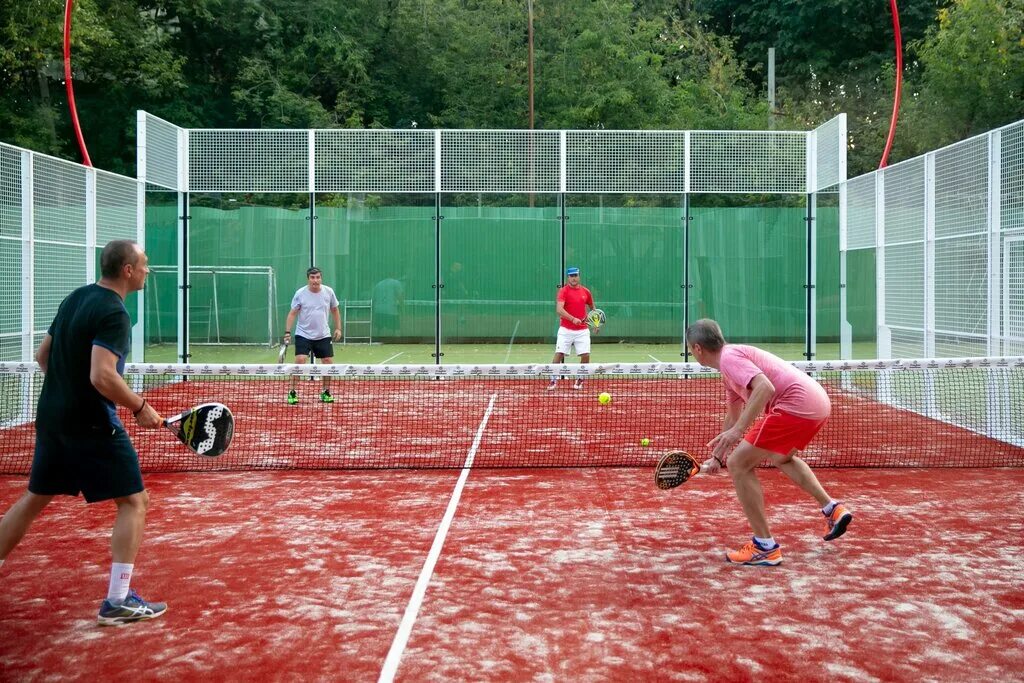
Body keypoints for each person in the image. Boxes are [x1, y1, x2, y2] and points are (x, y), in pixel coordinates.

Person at [0, 239, 168, 625]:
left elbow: (44, 356)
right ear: (127, 270)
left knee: (33, 498)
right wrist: (140, 407)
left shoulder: (76, 298)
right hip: (90, 424)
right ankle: (118, 600)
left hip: (53, 417)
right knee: (134, 502)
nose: (146, 270)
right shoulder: (115, 312)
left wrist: (68, 392)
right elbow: (102, 374)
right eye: (143, 264)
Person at [686, 318, 853, 566]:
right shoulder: (729, 367)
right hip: (817, 403)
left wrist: (738, 434)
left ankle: (764, 547)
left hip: (796, 404)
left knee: (739, 464)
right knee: (780, 456)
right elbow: (733, 415)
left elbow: (765, 387)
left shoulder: (730, 358)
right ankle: (832, 508)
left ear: (697, 348)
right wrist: (717, 457)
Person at [283, 267, 342, 404]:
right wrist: (287, 332)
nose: (315, 280)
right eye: (312, 278)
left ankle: (326, 392)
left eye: (318, 277)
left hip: (323, 334)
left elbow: (335, 310)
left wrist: (338, 328)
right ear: (308, 279)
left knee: (327, 362)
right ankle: (292, 392)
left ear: (321, 278)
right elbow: (292, 313)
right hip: (303, 334)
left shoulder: (329, 292)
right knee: (300, 360)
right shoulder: (300, 293)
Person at [548, 266, 596, 391]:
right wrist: (573, 319)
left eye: (576, 275)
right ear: (568, 277)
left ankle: (580, 379)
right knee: (558, 354)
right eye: (571, 276)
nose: (574, 278)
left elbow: (592, 308)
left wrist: (595, 324)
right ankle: (553, 380)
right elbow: (559, 309)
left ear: (579, 276)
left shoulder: (586, 292)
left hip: (583, 330)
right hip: (565, 330)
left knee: (585, 355)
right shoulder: (563, 291)